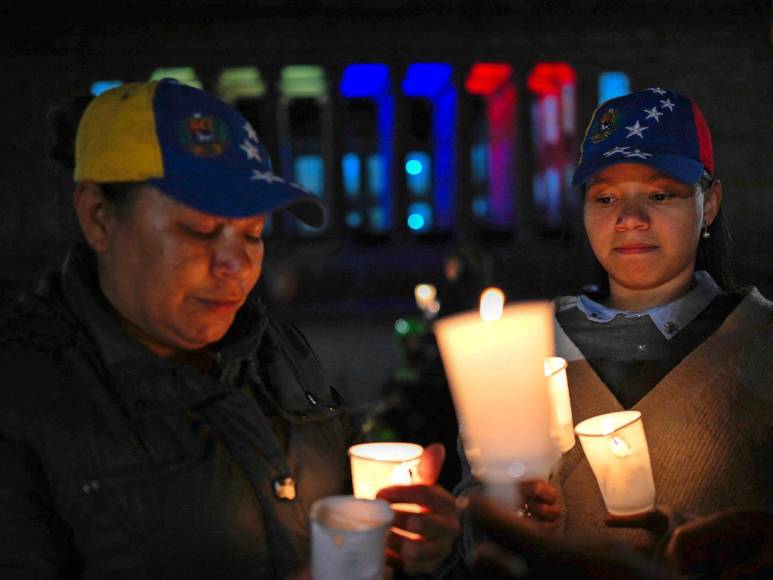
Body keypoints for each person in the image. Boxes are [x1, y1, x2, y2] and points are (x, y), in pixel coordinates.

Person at [0, 79, 459, 579]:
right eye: (199, 230)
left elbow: (353, 518)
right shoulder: (23, 394)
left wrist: (413, 546)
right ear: (99, 219)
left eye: (253, 233)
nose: (236, 265)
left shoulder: (276, 348)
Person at [455, 88, 773, 574]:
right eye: (605, 197)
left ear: (708, 205)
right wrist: (506, 520)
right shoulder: (520, 348)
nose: (629, 219)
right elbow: (472, 516)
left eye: (660, 194)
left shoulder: (758, 341)